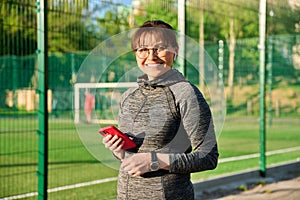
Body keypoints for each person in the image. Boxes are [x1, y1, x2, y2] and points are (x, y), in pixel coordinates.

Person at [102, 20, 218, 200]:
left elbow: (209, 157)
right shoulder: (128, 96)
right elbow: (129, 159)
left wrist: (155, 161)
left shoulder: (186, 93)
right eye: (143, 50)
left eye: (159, 48)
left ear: (175, 50)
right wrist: (119, 151)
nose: (151, 56)